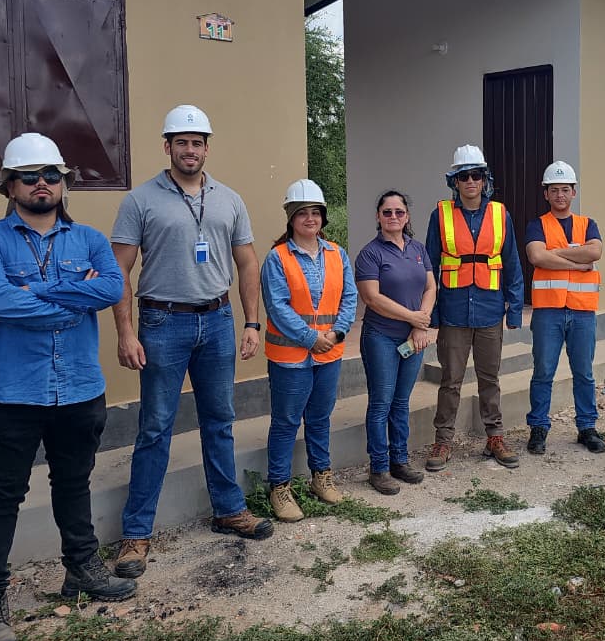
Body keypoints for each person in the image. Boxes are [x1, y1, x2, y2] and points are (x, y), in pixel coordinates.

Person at [0, 133, 134, 641]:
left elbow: (111, 288)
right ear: (9, 185)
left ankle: (81, 569)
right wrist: (70, 300)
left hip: (78, 388)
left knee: (74, 482)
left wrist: (32, 290)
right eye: (30, 175)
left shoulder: (91, 241)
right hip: (11, 393)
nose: (42, 184)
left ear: (64, 182)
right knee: (1, 496)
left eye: (52, 175)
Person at [111, 105, 272, 581]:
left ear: (207, 147)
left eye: (197, 142)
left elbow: (247, 264)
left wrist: (251, 323)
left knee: (220, 419)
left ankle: (228, 509)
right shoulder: (140, 201)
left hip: (219, 321)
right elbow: (119, 269)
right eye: (181, 142)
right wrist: (125, 331)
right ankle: (137, 535)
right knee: (155, 427)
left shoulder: (229, 199)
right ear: (167, 147)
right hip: (163, 322)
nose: (190, 150)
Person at [261, 179, 358, 521]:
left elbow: (349, 297)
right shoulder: (277, 258)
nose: (310, 219)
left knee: (319, 417)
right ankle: (279, 487)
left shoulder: (336, 253)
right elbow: (277, 306)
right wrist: (309, 337)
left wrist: (338, 331)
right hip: (291, 357)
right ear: (291, 218)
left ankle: (321, 476)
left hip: (328, 353)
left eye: (315, 212)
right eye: (302, 213)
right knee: (286, 421)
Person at [424, 144, 525, 470]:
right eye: (463, 176)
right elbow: (430, 268)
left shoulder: (500, 214)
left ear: (485, 180)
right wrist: (433, 313)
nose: (470, 181)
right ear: (455, 181)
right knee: (450, 380)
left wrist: (515, 307)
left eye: (476, 176)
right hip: (453, 310)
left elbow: (512, 262)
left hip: (489, 308)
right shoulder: (439, 215)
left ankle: (494, 435)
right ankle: (443, 441)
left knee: (489, 377)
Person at [355, 190, 436, 494]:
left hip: (413, 337)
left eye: (399, 212)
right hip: (381, 338)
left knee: (401, 402)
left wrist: (420, 321)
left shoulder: (418, 249)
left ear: (407, 216)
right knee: (381, 403)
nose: (393, 217)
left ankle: (400, 461)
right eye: (387, 212)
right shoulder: (370, 253)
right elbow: (372, 298)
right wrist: (413, 319)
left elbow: (430, 286)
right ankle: (379, 468)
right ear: (378, 216)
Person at [524, 161, 605, 455]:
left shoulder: (588, 224)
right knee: (543, 371)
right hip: (548, 311)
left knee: (583, 372)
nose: (560, 195)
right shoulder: (537, 224)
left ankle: (587, 427)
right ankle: (538, 427)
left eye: (565, 190)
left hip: (583, 311)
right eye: (554, 190)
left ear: (574, 192)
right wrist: (577, 259)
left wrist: (554, 253)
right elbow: (536, 257)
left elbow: (595, 251)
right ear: (546, 194)